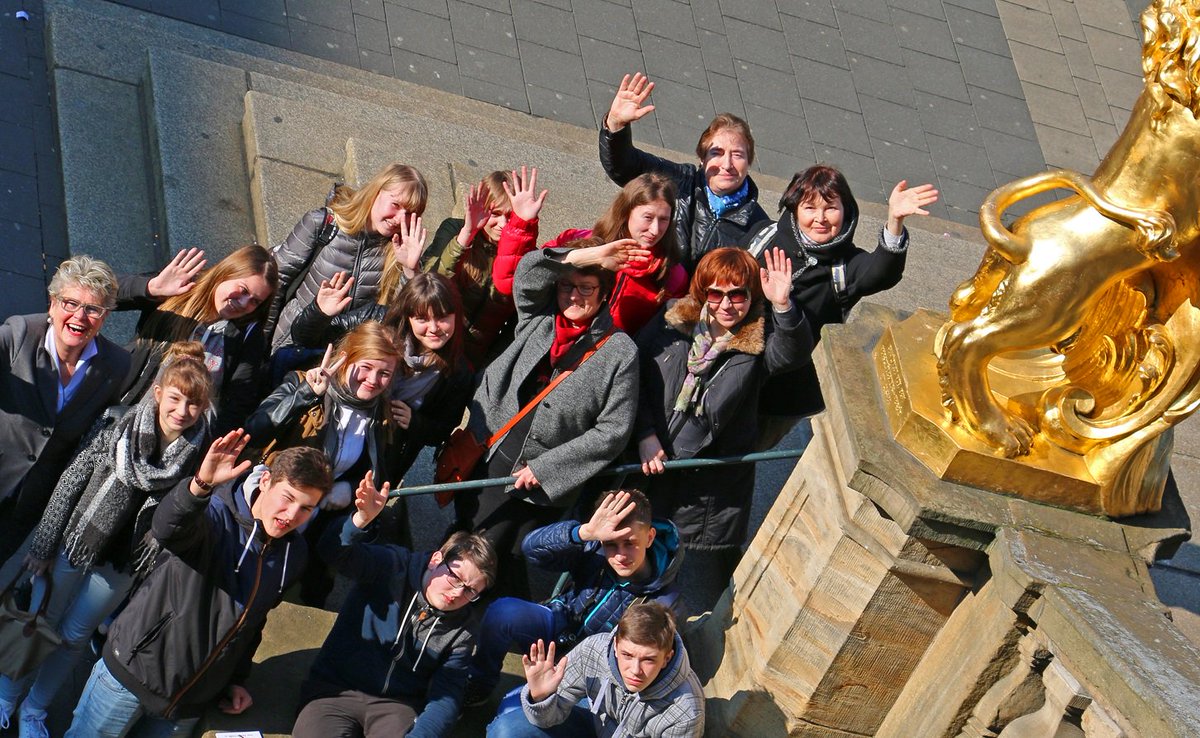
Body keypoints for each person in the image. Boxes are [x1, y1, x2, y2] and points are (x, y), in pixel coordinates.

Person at [0, 344, 213, 738]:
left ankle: (35, 708)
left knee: (75, 637)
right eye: (176, 398)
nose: (182, 411)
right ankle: (7, 696)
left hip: (125, 560)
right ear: (158, 391)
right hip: (78, 540)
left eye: (193, 404)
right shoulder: (117, 424)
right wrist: (43, 546)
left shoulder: (198, 456)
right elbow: (71, 482)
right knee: (39, 619)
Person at [64, 440, 333, 738]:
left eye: (306, 508)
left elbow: (252, 622)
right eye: (288, 498)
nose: (292, 515)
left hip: (187, 706)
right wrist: (200, 487)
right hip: (130, 679)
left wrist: (237, 679)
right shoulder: (216, 514)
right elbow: (168, 527)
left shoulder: (292, 555)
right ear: (266, 481)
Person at [456, 241, 641, 595]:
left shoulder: (621, 352)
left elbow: (612, 432)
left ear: (604, 294)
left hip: (539, 482)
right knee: (467, 533)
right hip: (491, 454)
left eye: (586, 288)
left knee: (503, 555)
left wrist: (547, 468)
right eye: (567, 285)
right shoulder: (538, 319)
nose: (574, 296)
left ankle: (488, 623)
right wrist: (589, 256)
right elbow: (527, 272)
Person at [636, 247, 813, 588]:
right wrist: (644, 434)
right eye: (716, 293)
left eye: (738, 295)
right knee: (642, 537)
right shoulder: (673, 319)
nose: (726, 304)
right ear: (703, 292)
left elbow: (793, 353)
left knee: (699, 550)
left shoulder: (759, 340)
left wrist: (782, 305)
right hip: (652, 455)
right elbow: (635, 377)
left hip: (709, 470)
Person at [743, 165, 939, 449]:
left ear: (845, 210)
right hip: (734, 365)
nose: (820, 219)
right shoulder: (765, 235)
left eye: (830, 208)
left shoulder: (845, 265)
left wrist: (894, 221)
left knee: (746, 451)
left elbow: (881, 272)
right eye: (810, 208)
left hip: (781, 393)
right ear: (795, 208)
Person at [292, 472, 498, 738]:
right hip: (335, 690)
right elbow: (332, 552)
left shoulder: (463, 631)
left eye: (471, 590)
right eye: (455, 576)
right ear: (436, 559)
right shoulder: (392, 566)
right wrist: (360, 520)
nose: (457, 592)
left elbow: (446, 697)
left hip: (398, 706)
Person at [466, 490, 684, 707]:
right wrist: (584, 532)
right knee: (503, 611)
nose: (620, 555)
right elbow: (531, 549)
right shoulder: (594, 548)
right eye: (611, 544)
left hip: (594, 671)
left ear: (650, 537)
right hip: (559, 627)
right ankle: (479, 684)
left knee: (515, 708)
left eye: (630, 543)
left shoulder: (664, 602)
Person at [244, 321, 403, 606]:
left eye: (385, 374)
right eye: (366, 367)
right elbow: (255, 429)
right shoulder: (304, 381)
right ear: (347, 357)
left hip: (314, 523)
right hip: (273, 504)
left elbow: (377, 472)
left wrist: (350, 487)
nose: (373, 380)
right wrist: (306, 395)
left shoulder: (382, 414)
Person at [0, 255, 132, 569]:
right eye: (70, 303)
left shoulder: (116, 365)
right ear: (52, 304)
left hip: (25, 506)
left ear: (105, 317)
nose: (79, 316)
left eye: (92, 309)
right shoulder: (18, 334)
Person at [289, 272, 474, 485]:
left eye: (442, 318)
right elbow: (303, 339)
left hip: (378, 463)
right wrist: (320, 314)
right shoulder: (377, 321)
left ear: (456, 317)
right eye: (422, 318)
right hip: (324, 432)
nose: (433, 328)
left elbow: (441, 430)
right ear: (408, 316)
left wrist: (415, 423)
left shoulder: (458, 372)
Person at [600, 72, 768, 270]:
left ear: (749, 161)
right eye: (717, 153)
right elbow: (623, 167)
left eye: (738, 155)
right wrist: (616, 125)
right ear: (701, 158)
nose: (727, 164)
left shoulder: (758, 226)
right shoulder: (677, 181)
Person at [501, 170, 687, 335]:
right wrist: (522, 226)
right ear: (626, 211)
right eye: (648, 217)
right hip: (547, 349)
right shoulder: (579, 240)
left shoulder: (673, 276)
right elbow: (513, 283)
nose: (655, 229)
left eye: (664, 219)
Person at [266, 163, 429, 352]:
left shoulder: (400, 252)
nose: (400, 218)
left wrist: (410, 270)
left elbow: (395, 316)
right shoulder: (323, 224)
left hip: (340, 358)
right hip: (287, 342)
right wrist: (259, 341)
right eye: (396, 205)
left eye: (409, 213)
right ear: (375, 192)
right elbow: (275, 282)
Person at [116, 245, 278, 434]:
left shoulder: (248, 336)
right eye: (242, 290)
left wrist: (206, 448)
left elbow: (237, 403)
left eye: (254, 301)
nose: (243, 303)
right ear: (226, 272)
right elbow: (103, 294)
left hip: (175, 439)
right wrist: (152, 288)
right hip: (124, 409)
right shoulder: (181, 284)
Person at [486, 602, 704, 738]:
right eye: (627, 655)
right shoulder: (594, 650)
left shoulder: (685, 712)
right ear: (616, 647)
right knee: (506, 730)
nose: (635, 670)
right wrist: (542, 696)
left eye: (648, 660)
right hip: (592, 723)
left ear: (667, 658)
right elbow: (546, 720)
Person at [421, 170, 523, 367]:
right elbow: (429, 285)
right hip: (432, 346)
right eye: (495, 213)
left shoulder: (523, 255)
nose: (502, 224)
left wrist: (489, 365)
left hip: (473, 364)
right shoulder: (454, 230)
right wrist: (466, 235)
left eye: (511, 216)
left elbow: (515, 324)